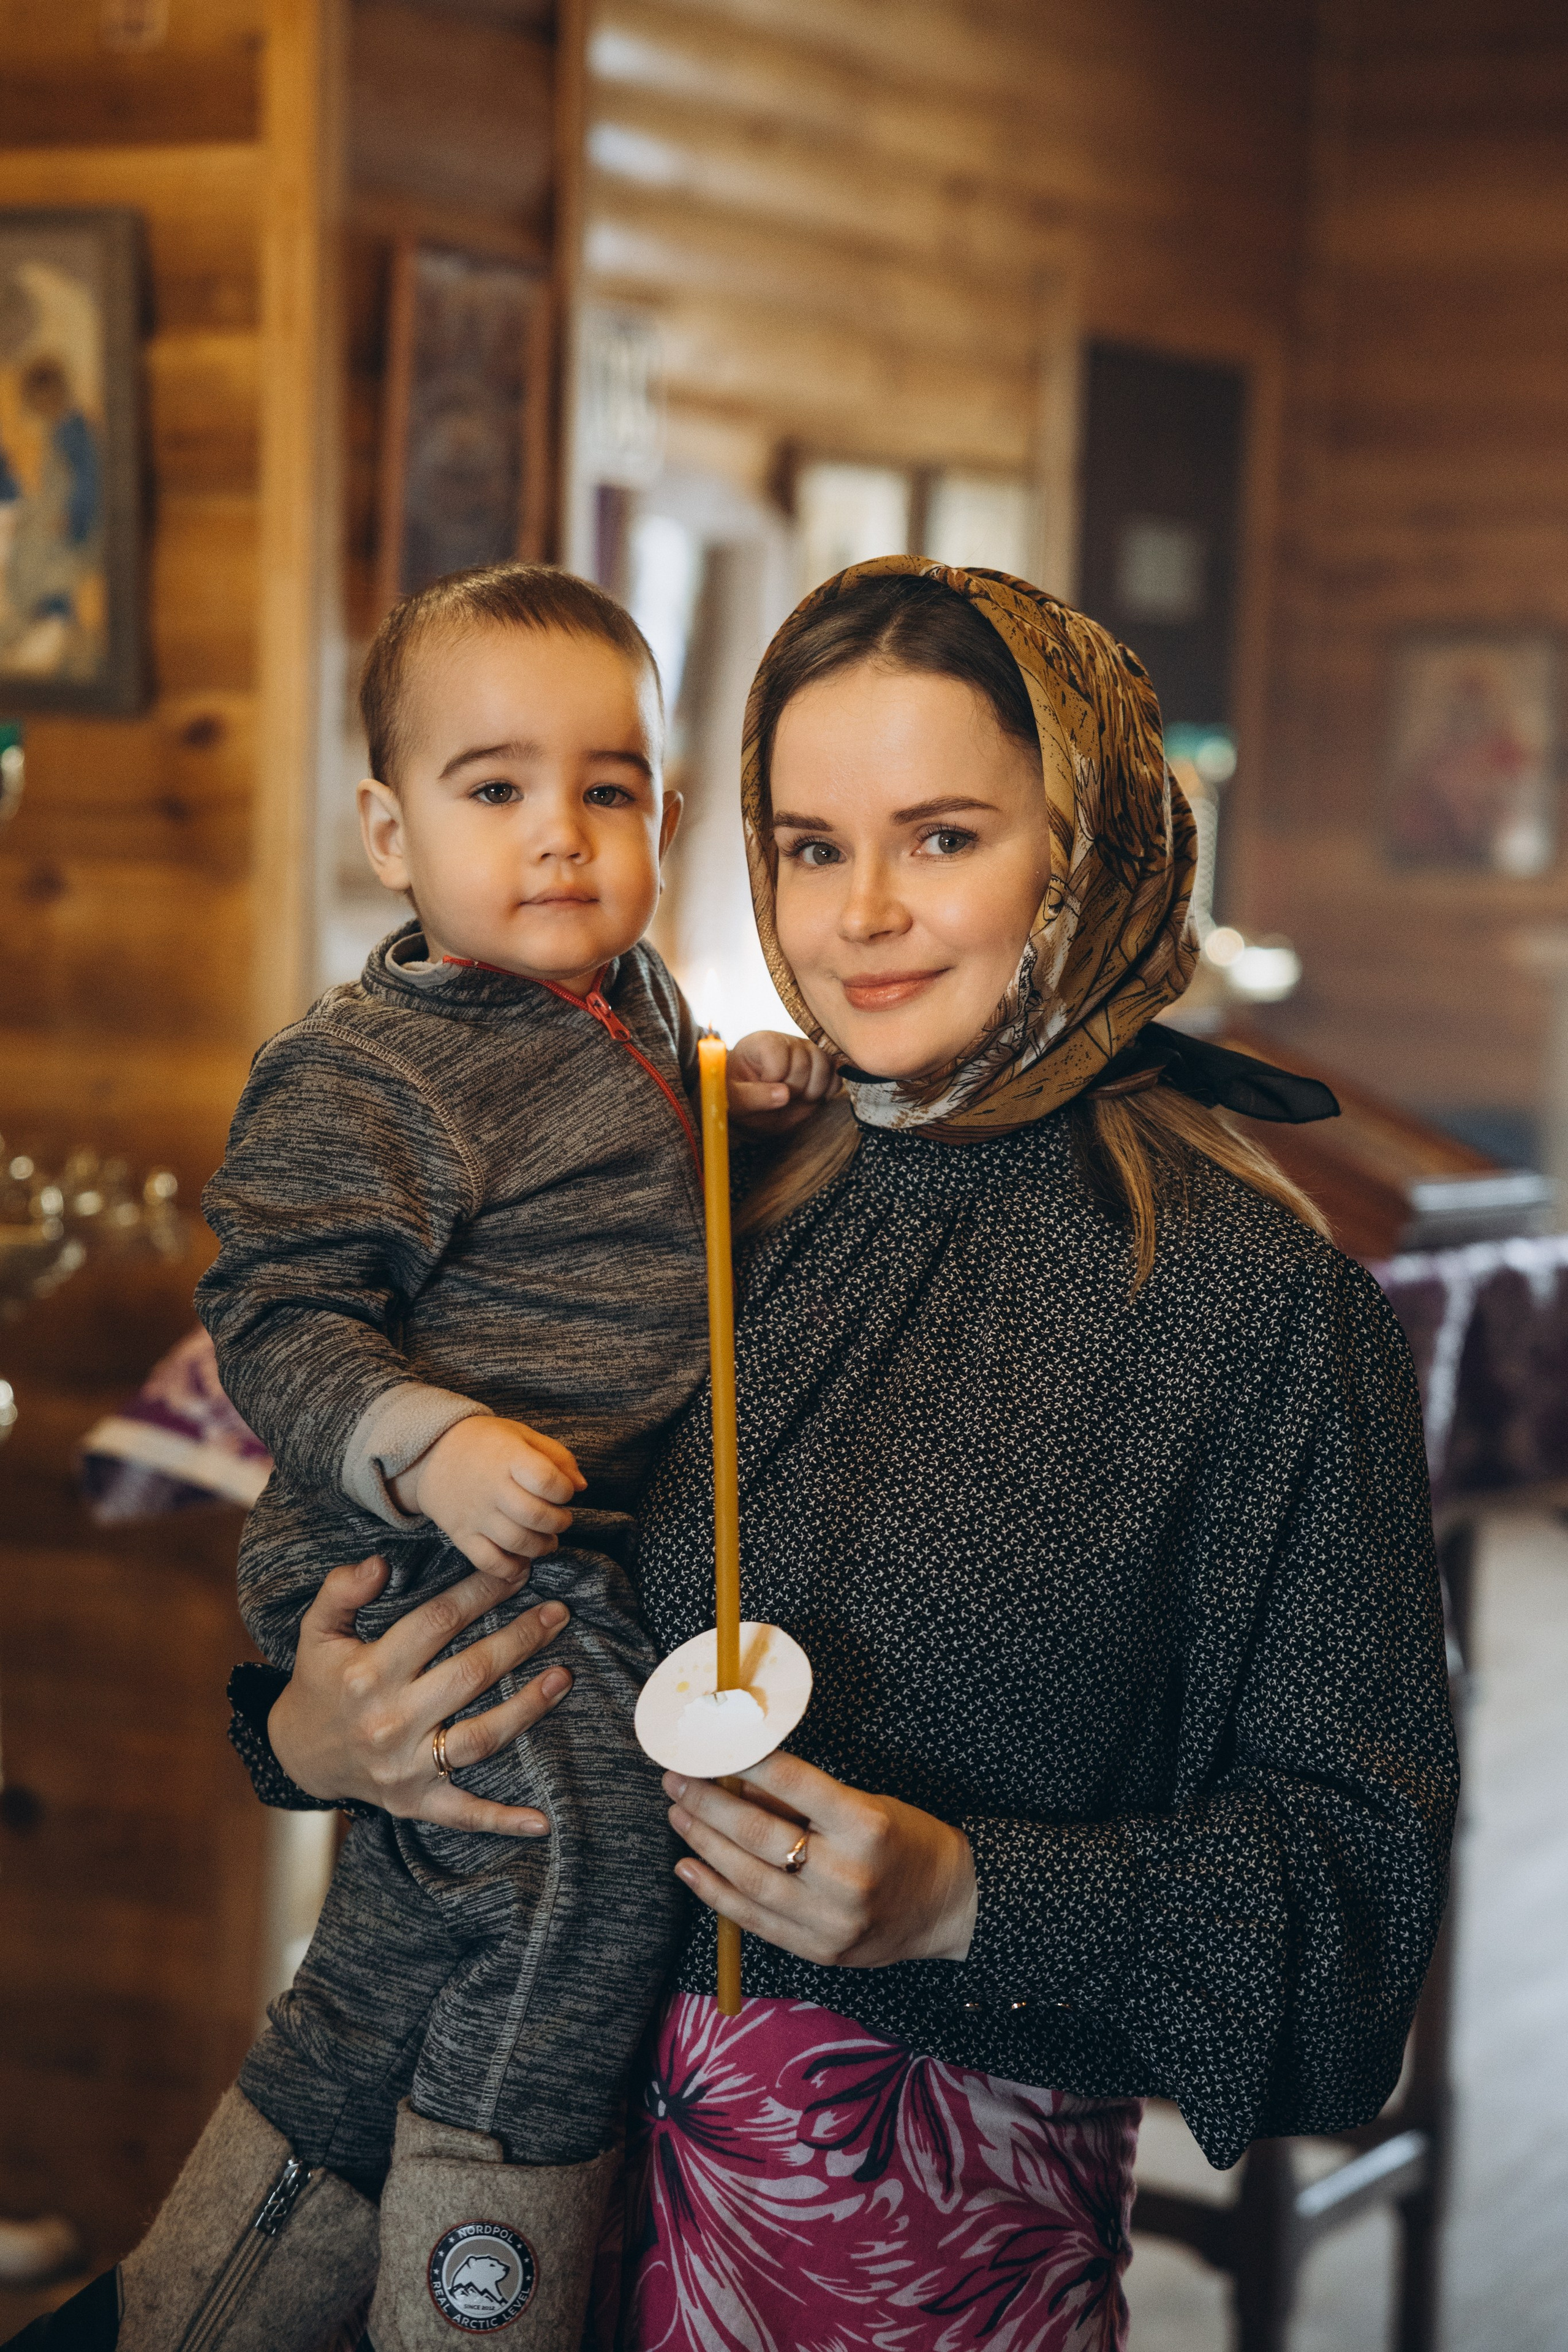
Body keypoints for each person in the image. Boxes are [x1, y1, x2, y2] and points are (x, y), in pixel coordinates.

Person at [74, 559, 1455, 2352]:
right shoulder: (714, 1187)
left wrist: (965, 1896)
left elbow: (1350, 1921)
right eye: (808, 845)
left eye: (942, 837)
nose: (862, 914)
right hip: (480, 2194)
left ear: (1091, 843)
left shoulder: (1249, 1307)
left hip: (882, 2278)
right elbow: (388, 1506)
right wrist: (307, 1734)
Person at [21, 564, 834, 2352]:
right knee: (577, 1859)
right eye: (495, 790)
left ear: (667, 817)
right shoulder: (364, 1070)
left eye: (605, 790)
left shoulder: (631, 1001)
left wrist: (743, 1098)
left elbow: (653, 1206)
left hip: (562, 1555)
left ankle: (198, 2311)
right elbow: (278, 1321)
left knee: (414, 1931)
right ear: (389, 830)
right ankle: (480, 2297)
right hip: (406, 1552)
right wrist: (430, 1440)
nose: (559, 835)